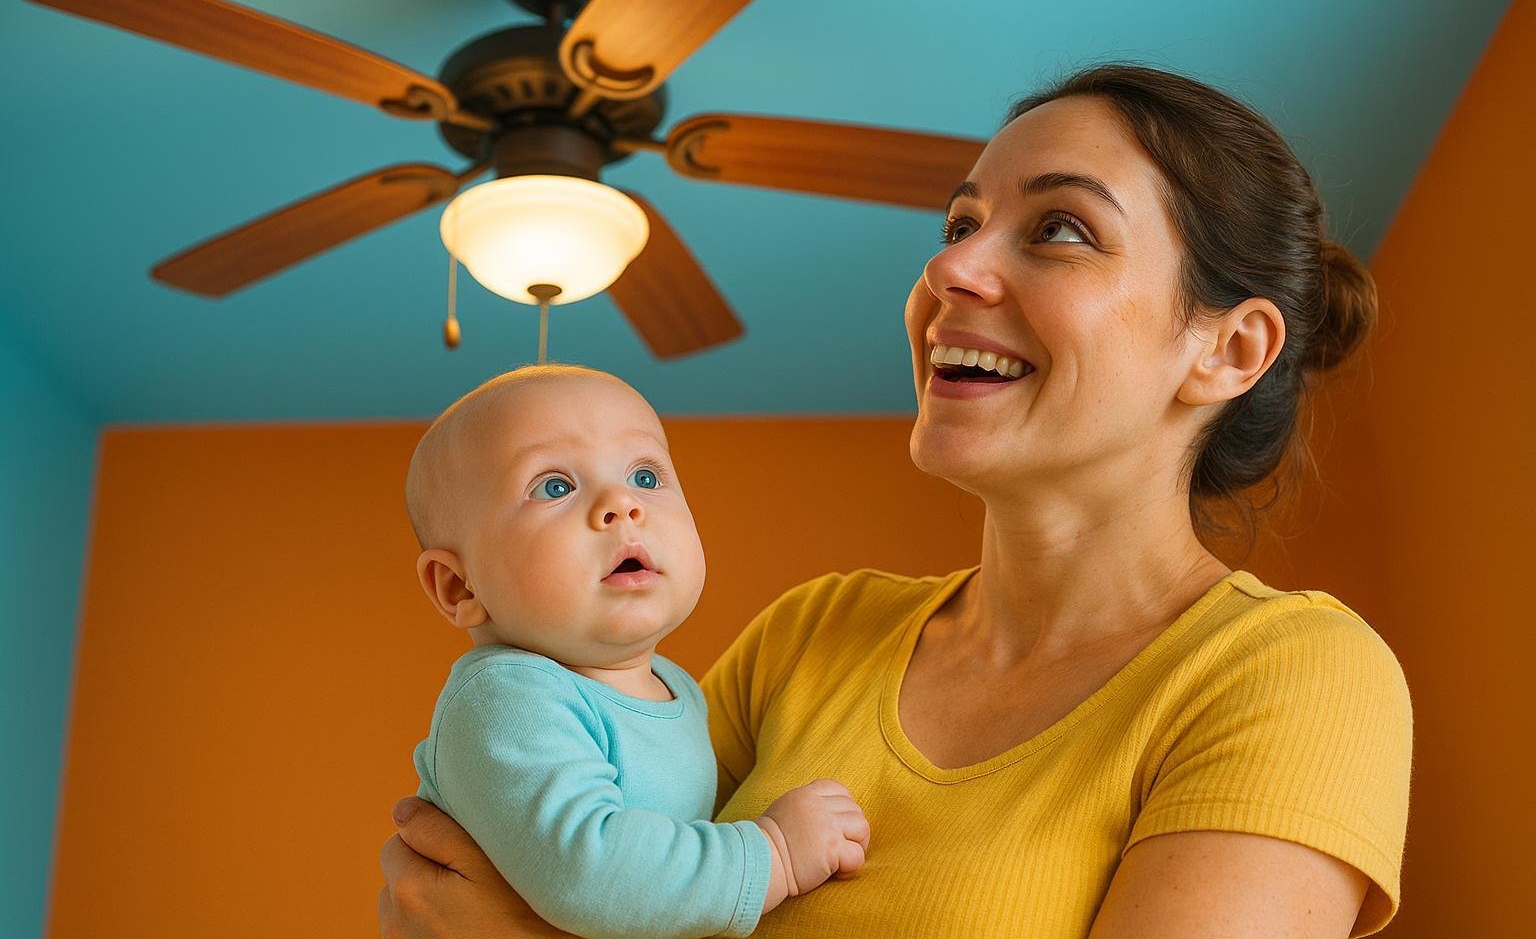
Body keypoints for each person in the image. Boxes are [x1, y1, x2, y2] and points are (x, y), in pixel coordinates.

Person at [378, 64, 1412, 939]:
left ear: (1229, 349)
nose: (950, 265)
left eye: (1059, 228)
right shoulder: (811, 636)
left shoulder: (1289, 676)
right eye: (962, 222)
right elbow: (536, 871)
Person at [402, 365, 870, 939]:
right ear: (461, 587)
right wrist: (774, 853)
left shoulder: (677, 688)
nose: (622, 504)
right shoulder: (507, 699)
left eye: (645, 476)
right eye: (554, 486)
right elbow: (588, 870)